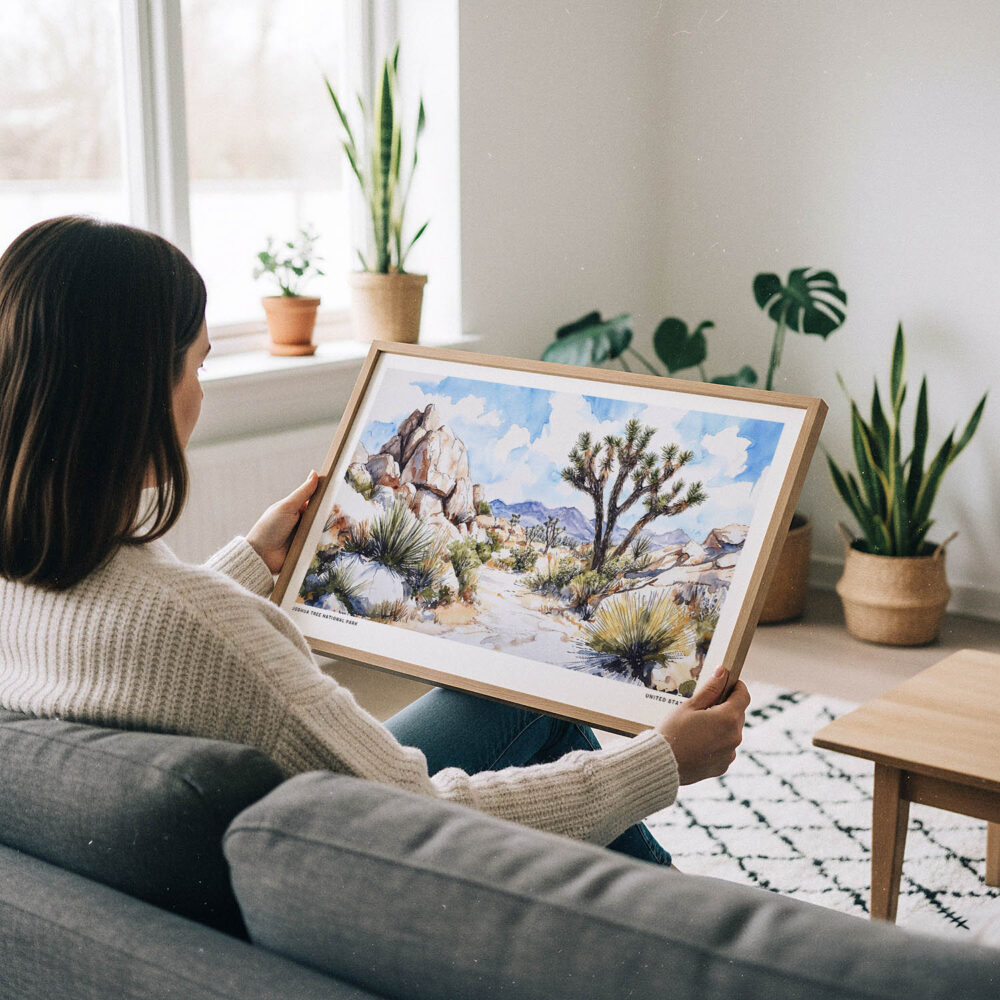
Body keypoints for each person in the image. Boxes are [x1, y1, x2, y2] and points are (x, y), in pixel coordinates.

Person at [0, 216, 749, 866]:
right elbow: (418, 817)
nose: (202, 392)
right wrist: (660, 762)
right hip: (360, 861)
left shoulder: (27, 581)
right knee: (547, 722)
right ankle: (694, 936)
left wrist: (250, 564)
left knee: (507, 703)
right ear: (135, 395)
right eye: (198, 365)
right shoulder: (208, 631)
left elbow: (139, 637)